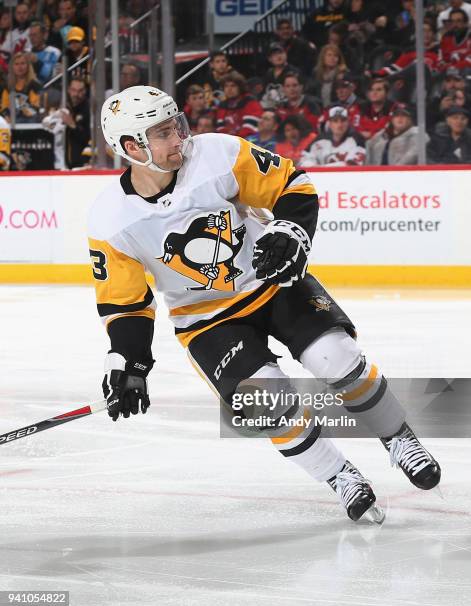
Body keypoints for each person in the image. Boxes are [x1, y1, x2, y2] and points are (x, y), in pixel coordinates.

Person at [89, 85, 441, 525]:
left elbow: (293, 184)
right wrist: (129, 363)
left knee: (339, 359)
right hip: (207, 321)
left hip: (272, 281)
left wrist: (291, 232)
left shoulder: (217, 153)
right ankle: (339, 475)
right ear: (130, 147)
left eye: (176, 126)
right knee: (266, 402)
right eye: (163, 134)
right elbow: (126, 304)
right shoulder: (110, 218)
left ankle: (397, 436)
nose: (179, 139)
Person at [300, 106, 365, 166]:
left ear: (348, 122)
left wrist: (321, 169)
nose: (339, 125)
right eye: (335, 121)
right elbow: (304, 160)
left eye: (343, 121)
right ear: (330, 124)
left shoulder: (357, 140)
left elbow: (352, 165)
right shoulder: (319, 141)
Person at [215, 71, 263, 138]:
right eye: (226, 86)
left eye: (233, 86)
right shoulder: (222, 105)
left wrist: (234, 141)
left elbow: (249, 129)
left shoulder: (250, 102)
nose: (229, 89)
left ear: (240, 87)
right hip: (228, 142)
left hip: (248, 142)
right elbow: (220, 129)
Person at [0, 52, 41, 123]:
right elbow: (4, 105)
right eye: (16, 64)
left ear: (28, 66)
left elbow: (36, 109)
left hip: (30, 121)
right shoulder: (7, 86)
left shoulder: (35, 85)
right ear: (12, 67)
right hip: (10, 120)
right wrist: (6, 116)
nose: (20, 67)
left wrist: (22, 106)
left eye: (23, 63)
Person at [62, 76, 90, 168]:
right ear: (68, 90)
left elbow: (88, 137)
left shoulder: (89, 110)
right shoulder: (65, 106)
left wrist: (72, 125)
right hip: (64, 164)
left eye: (80, 91)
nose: (76, 94)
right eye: (73, 90)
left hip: (82, 164)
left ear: (85, 91)